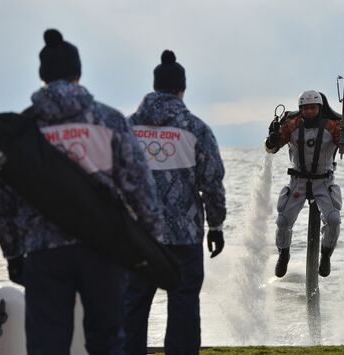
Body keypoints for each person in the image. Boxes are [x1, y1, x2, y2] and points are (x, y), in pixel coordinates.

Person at [0, 29, 163, 355]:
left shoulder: (22, 129)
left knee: (47, 346)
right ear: (78, 74)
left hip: (44, 254)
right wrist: (149, 244)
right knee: (108, 342)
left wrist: (13, 255)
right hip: (105, 250)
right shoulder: (109, 121)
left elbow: (1, 201)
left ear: (42, 77)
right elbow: (141, 189)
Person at [123, 50, 226, 355]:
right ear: (182, 88)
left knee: (131, 309)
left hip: (138, 237)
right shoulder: (195, 129)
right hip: (184, 238)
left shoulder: (126, 129)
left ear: (155, 87)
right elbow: (212, 183)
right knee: (183, 309)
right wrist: (216, 225)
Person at [265, 90, 344, 278]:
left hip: (323, 181)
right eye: (305, 108)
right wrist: (272, 140)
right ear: (300, 109)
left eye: (313, 108)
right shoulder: (291, 124)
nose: (309, 111)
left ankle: (326, 255)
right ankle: (284, 254)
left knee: (333, 219)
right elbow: (271, 149)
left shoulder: (333, 126)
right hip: (298, 181)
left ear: (319, 108)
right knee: (283, 221)